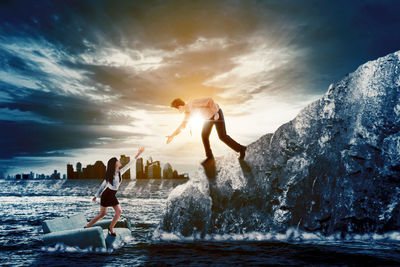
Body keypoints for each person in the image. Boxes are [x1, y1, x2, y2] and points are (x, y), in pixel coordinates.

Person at [166, 97, 246, 165]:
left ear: (180, 106)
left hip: (217, 114)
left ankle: (241, 149)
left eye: (177, 109)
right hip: (208, 119)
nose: (178, 111)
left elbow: (209, 100)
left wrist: (215, 113)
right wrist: (172, 135)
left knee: (222, 136)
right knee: (204, 136)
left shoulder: (193, 103)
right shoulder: (187, 114)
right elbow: (182, 126)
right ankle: (210, 157)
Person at [84, 147, 144, 236]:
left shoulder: (120, 172)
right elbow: (103, 186)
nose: (119, 161)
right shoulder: (110, 175)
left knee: (119, 212)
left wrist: (138, 154)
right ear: (115, 163)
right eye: (118, 160)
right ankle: (87, 227)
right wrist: (96, 196)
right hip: (106, 195)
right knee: (102, 214)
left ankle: (111, 227)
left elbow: (130, 164)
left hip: (112, 195)